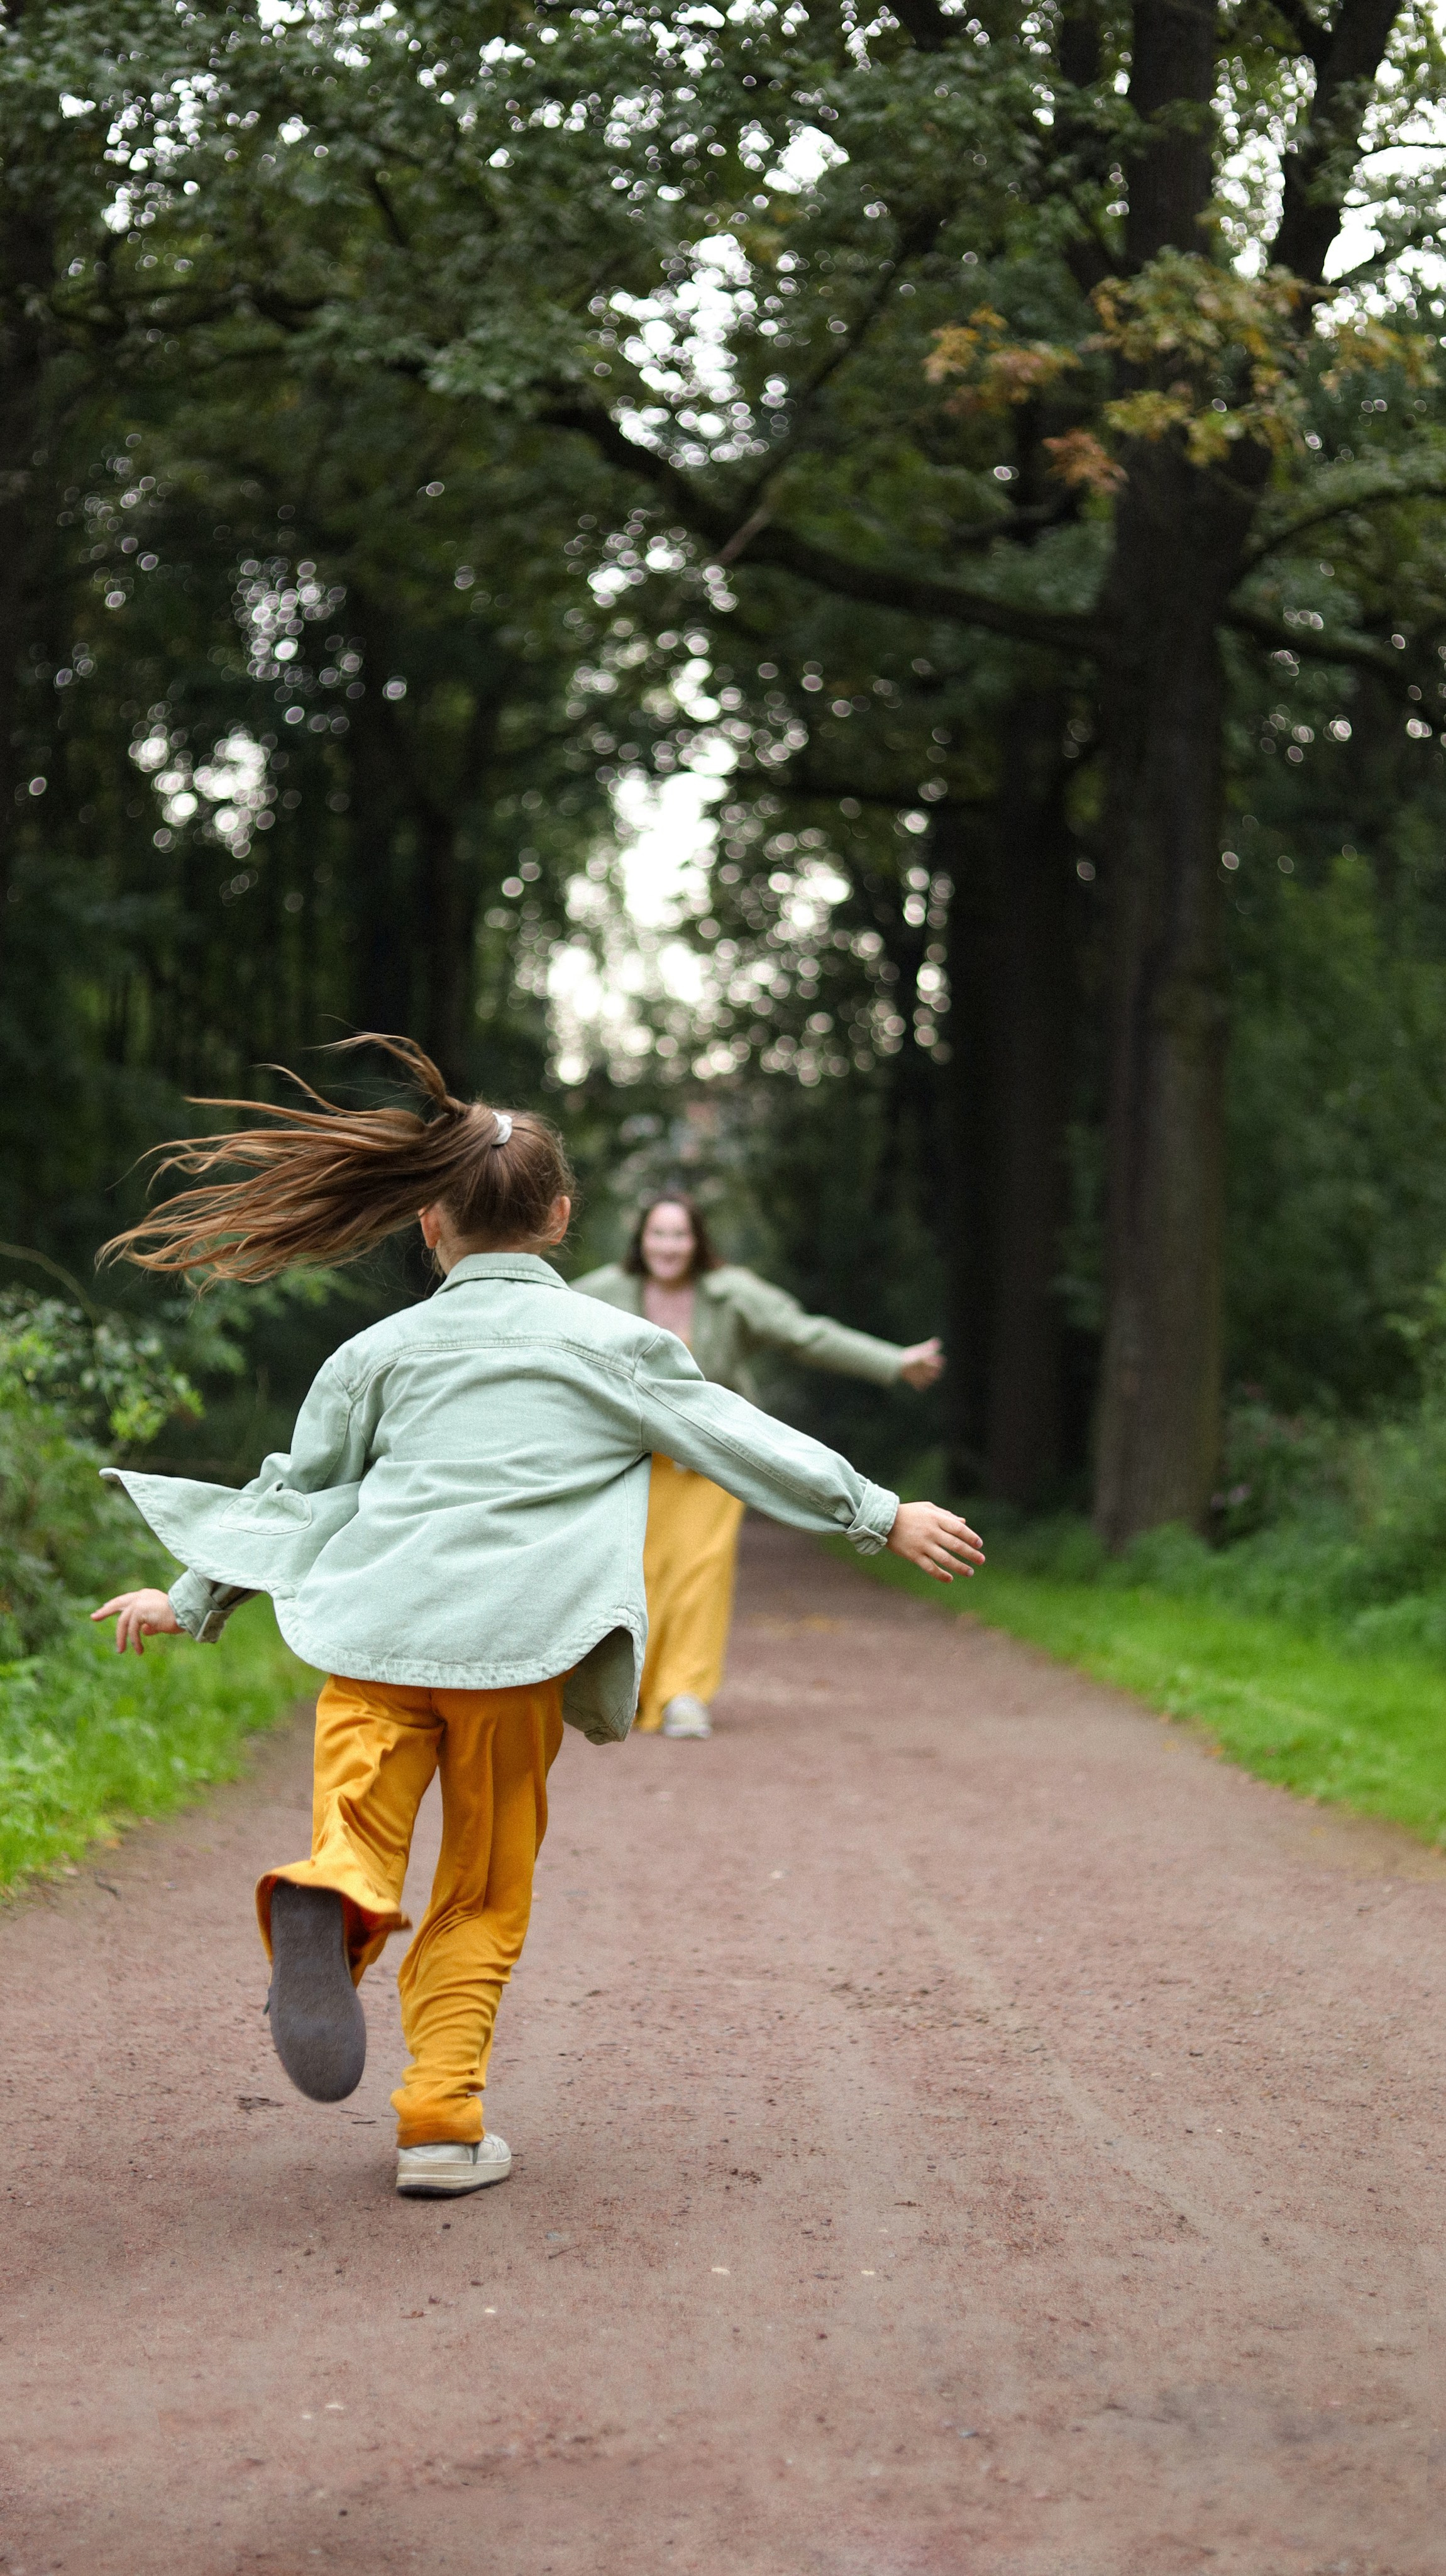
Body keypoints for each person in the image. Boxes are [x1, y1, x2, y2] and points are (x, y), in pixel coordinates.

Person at [91, 1038, 984, 2200]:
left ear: (429, 1225)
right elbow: (738, 1435)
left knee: (360, 1825)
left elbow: (296, 1499)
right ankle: (441, 2126)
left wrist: (191, 1593)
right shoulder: (616, 1348)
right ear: (561, 1218)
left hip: (370, 1638)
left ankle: (333, 1894)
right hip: (515, 1654)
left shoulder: (377, 1353)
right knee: (480, 1885)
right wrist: (879, 1512)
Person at [573, 1196, 945, 1740]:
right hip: (634, 1461)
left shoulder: (732, 1294)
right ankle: (631, 1691)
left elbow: (806, 1334)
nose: (669, 1246)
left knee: (701, 1573)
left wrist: (893, 1361)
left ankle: (685, 1695)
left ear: (698, 1242)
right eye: (658, 1234)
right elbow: (543, 1326)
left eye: (680, 1235)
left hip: (711, 1462)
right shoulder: (604, 1291)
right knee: (642, 1574)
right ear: (641, 1241)